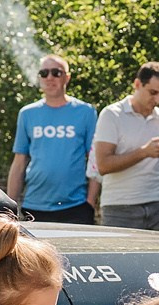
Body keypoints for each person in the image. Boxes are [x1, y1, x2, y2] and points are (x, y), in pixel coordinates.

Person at [6, 54, 100, 223]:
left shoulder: (86, 112)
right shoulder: (27, 114)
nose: (50, 78)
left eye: (56, 73)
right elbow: (19, 162)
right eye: (44, 73)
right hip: (34, 206)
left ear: (67, 78)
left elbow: (94, 160)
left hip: (76, 207)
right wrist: (8, 210)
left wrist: (90, 203)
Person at [94, 63, 159, 231]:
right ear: (137, 84)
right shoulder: (112, 115)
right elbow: (103, 166)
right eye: (153, 92)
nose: (157, 100)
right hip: (120, 208)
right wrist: (144, 152)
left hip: (158, 205)